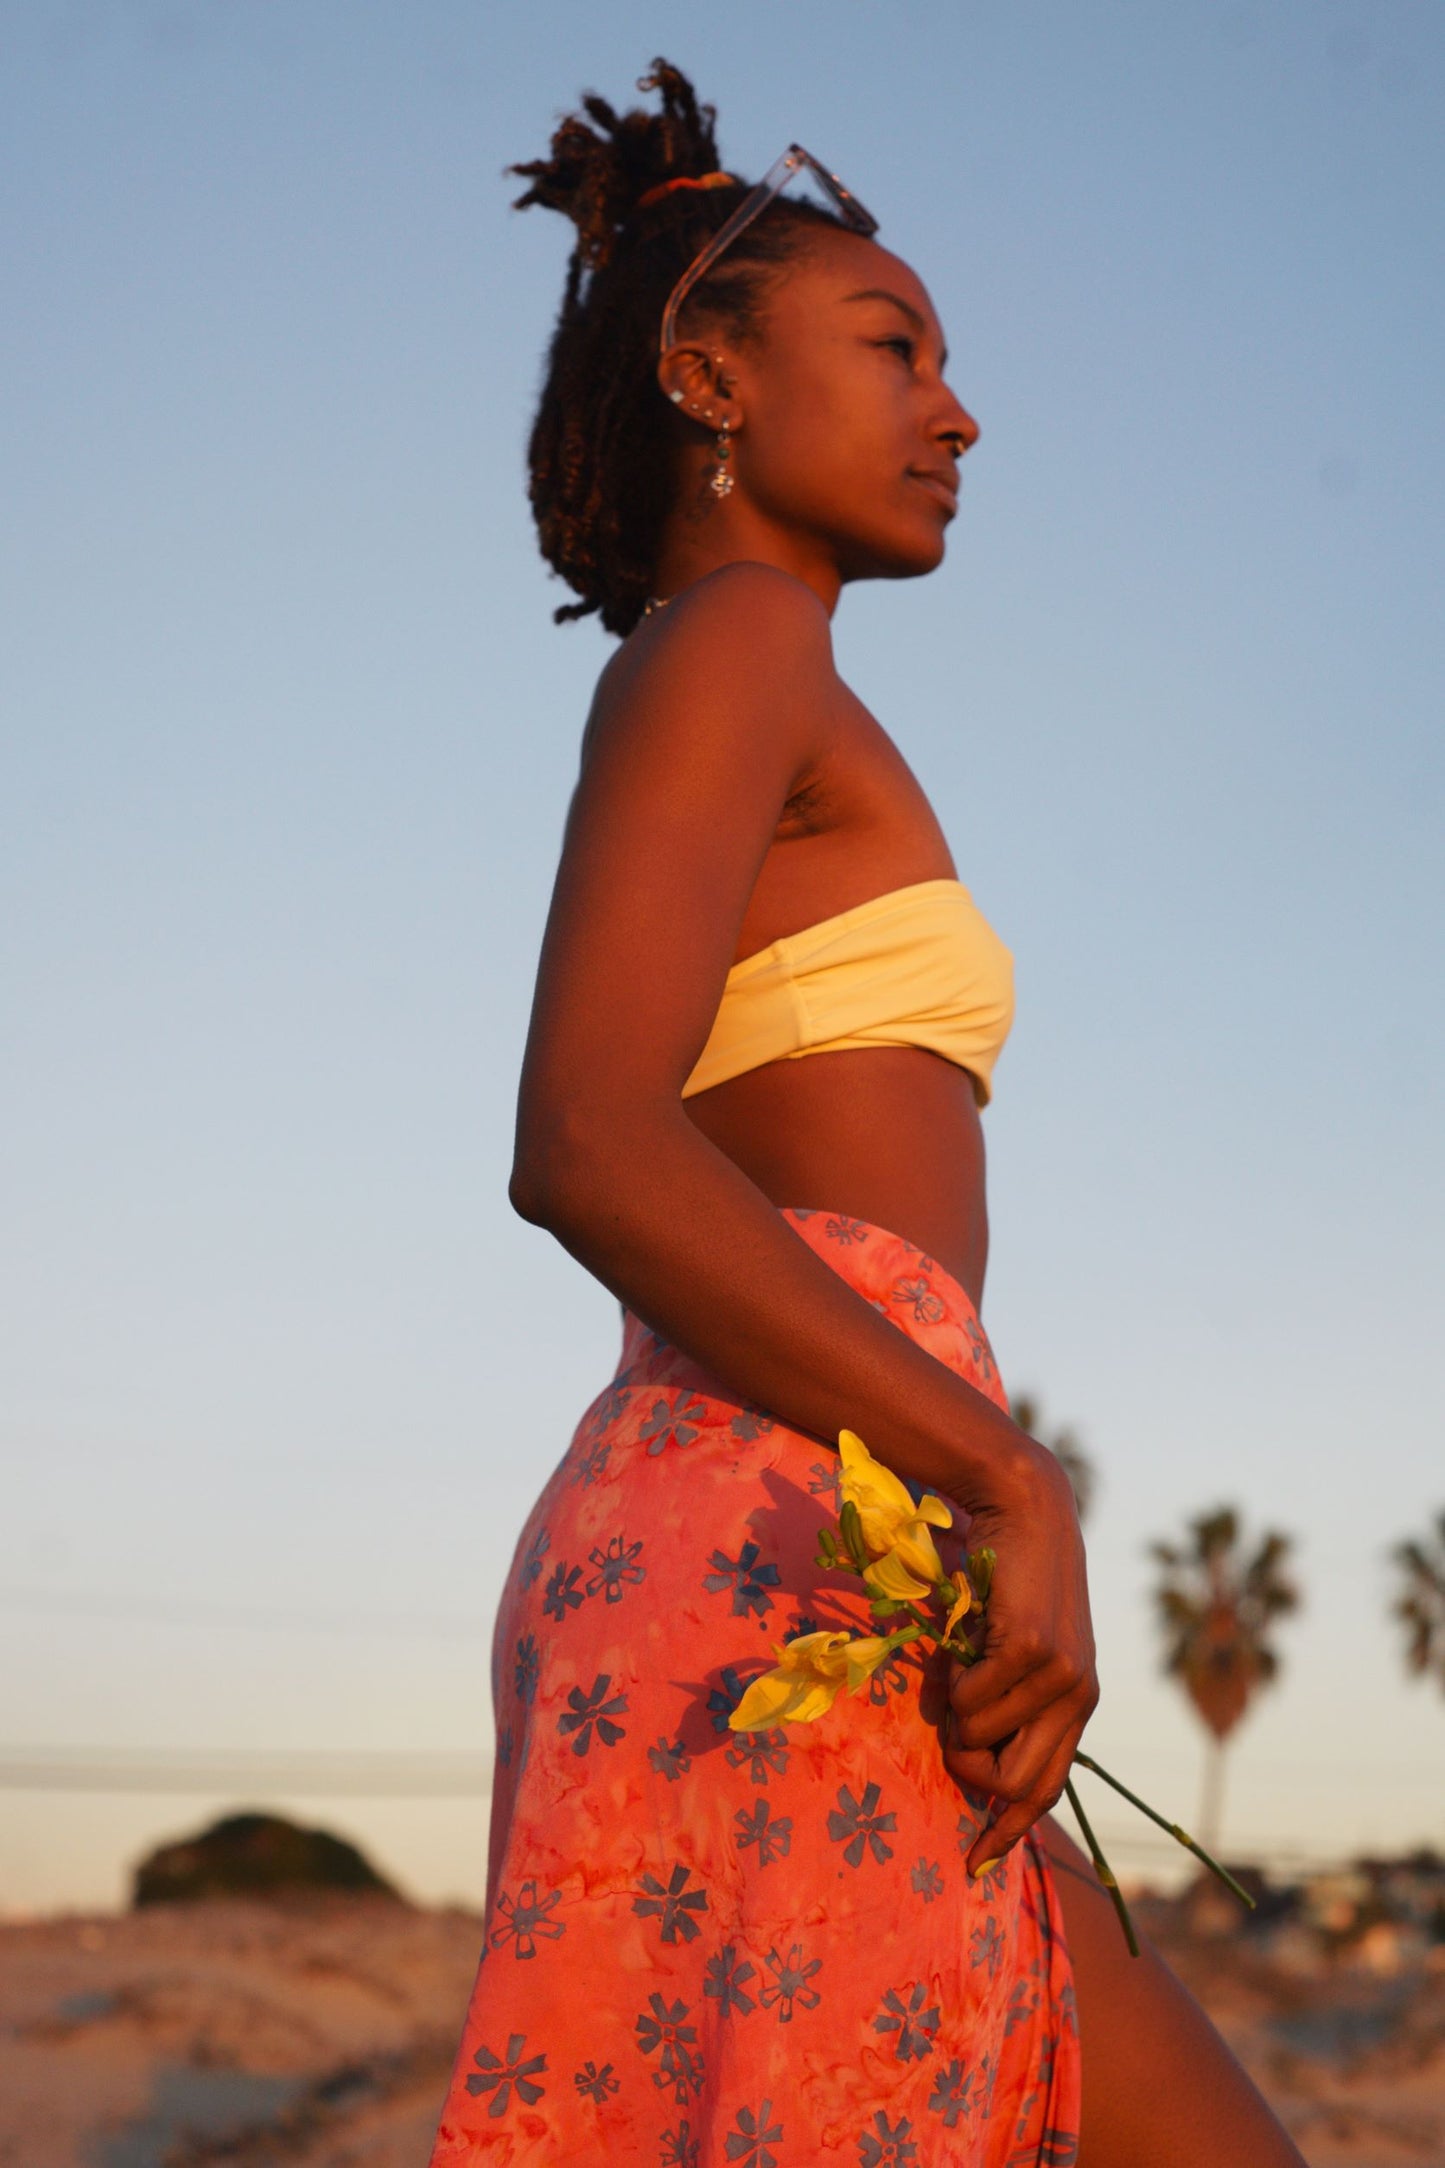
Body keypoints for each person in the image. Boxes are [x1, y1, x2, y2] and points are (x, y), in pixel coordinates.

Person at [430, 61, 1306, 2168]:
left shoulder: (775, 679)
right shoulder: (731, 641)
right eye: (895, 346)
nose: (959, 410)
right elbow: (584, 1135)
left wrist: (971, 1492)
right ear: (709, 372)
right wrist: (1008, 1474)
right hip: (786, 1538)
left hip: (840, 1549)